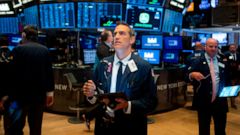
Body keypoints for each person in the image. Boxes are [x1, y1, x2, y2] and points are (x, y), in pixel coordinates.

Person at [83, 22, 157, 135]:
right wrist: (91, 94)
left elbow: (151, 102)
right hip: (104, 126)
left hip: (131, 127)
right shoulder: (103, 64)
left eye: (122, 33)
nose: (116, 36)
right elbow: (96, 98)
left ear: (132, 39)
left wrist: (128, 105)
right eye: (115, 33)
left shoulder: (143, 67)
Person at [3, 25, 54, 135]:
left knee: (16, 127)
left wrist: (6, 95)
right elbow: (49, 74)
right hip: (38, 97)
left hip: (19, 97)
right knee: (36, 128)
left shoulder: (17, 50)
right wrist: (50, 94)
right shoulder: (45, 50)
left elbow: (11, 74)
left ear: (23, 35)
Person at [188, 38, 229, 135]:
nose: (213, 49)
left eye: (215, 46)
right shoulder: (197, 60)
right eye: (211, 46)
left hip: (220, 101)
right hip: (204, 101)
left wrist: (229, 90)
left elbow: (227, 78)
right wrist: (192, 75)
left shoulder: (222, 60)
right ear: (205, 47)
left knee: (221, 128)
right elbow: (186, 75)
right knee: (204, 128)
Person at [185, 41, 204, 110]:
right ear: (201, 47)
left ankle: (195, 106)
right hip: (204, 76)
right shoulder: (205, 55)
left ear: (195, 47)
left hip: (193, 76)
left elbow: (187, 67)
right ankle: (202, 106)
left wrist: (188, 77)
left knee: (196, 90)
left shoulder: (190, 56)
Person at [224, 44, 240, 109]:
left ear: (236, 48)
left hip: (238, 74)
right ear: (229, 48)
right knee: (232, 88)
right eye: (231, 48)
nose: (233, 49)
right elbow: (224, 63)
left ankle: (233, 98)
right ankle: (232, 103)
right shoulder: (226, 54)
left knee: (237, 89)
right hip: (230, 74)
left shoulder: (239, 54)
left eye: (234, 47)